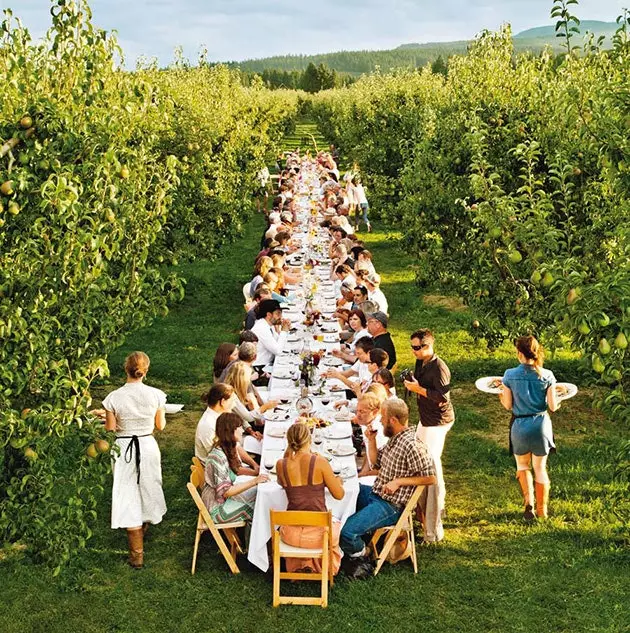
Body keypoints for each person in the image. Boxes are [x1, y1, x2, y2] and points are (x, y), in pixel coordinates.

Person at [339, 398, 436, 577]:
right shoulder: (395, 439)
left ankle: (362, 554)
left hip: (391, 505)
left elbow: (431, 477)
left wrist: (399, 482)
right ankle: (336, 540)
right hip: (376, 493)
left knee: (347, 532)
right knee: (343, 493)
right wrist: (372, 441)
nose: (381, 421)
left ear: (393, 420)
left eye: (383, 417)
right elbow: (376, 463)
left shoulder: (413, 445)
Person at [103, 351, 167, 568]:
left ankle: (136, 554)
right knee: (149, 485)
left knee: (126, 491)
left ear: (125, 369)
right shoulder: (156, 395)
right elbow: (160, 426)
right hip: (147, 444)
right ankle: (143, 524)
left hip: (123, 447)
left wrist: (106, 418)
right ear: (145, 370)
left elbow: (111, 428)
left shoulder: (114, 397)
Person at [403, 329, 455, 541]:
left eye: (417, 347)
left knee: (431, 466)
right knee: (421, 461)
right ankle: (422, 510)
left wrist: (417, 389)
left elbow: (442, 397)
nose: (414, 351)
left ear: (427, 346)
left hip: (438, 421)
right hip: (426, 419)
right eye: (412, 347)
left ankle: (435, 515)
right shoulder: (421, 362)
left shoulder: (440, 368)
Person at [499, 335, 559, 520]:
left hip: (520, 425)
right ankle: (543, 510)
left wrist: (501, 395)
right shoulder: (547, 375)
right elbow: (553, 406)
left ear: (519, 353)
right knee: (540, 468)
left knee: (523, 465)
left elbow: (508, 405)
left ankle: (529, 503)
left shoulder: (509, 375)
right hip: (541, 424)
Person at [275, 423, 345, 575]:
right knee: (337, 520)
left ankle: (303, 564)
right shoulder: (319, 462)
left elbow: (280, 482)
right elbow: (339, 495)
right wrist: (336, 481)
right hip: (320, 537)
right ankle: (319, 566)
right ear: (309, 439)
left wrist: (290, 451)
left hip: (290, 536)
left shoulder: (281, 465)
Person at [201, 413, 269, 524]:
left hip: (224, 498)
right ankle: (254, 539)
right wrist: (255, 481)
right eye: (240, 427)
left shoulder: (227, 447)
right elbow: (226, 492)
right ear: (231, 430)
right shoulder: (217, 457)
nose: (242, 430)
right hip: (218, 508)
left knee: (261, 496)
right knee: (260, 509)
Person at [195, 383, 237, 463]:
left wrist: (254, 464)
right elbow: (220, 459)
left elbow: (234, 446)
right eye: (233, 401)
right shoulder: (208, 425)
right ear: (223, 402)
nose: (234, 405)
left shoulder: (221, 417)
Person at [250, 299, 290, 368]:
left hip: (268, 363)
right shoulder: (261, 328)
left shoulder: (268, 325)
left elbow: (277, 341)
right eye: (278, 314)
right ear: (269, 315)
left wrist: (282, 329)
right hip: (259, 367)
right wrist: (284, 331)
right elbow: (277, 350)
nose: (281, 317)